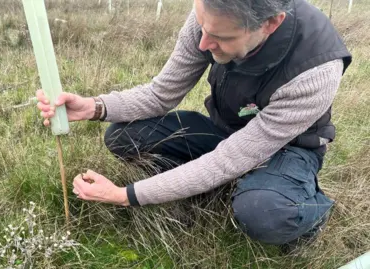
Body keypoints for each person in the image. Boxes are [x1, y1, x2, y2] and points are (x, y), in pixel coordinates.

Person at [36, 0, 352, 247]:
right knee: (122, 136)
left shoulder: (316, 70)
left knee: (264, 212)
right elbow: (160, 94)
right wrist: (93, 107)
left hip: (288, 149)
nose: (203, 44)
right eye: (201, 26)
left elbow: (231, 158)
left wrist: (127, 195)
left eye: (220, 38)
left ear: (270, 23)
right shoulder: (211, 17)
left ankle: (306, 209)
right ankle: (203, 190)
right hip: (227, 129)